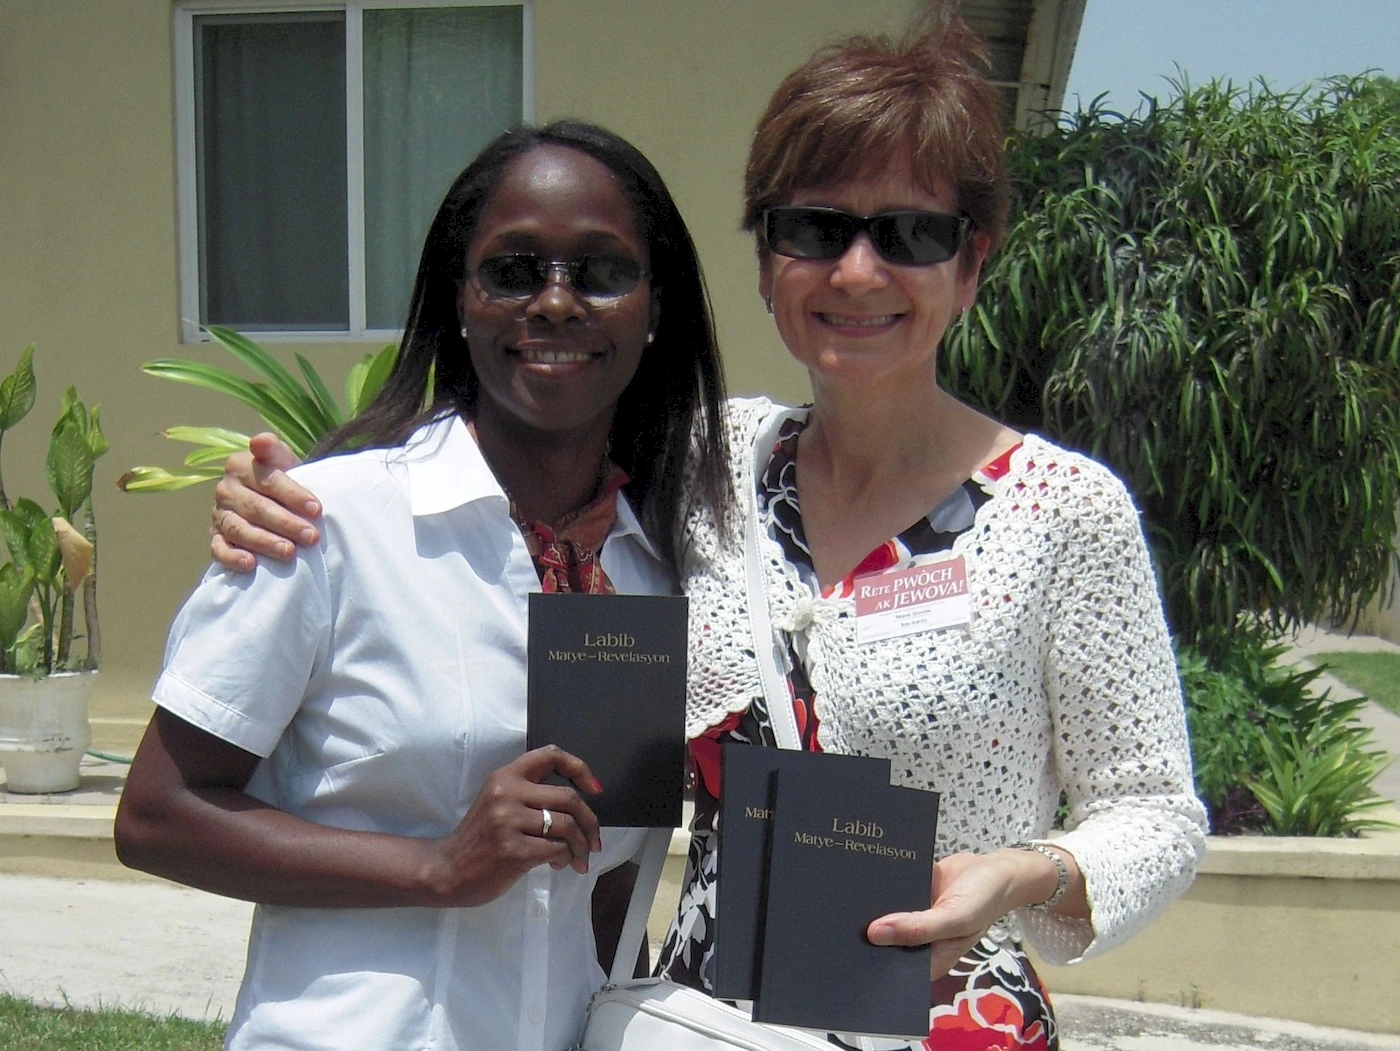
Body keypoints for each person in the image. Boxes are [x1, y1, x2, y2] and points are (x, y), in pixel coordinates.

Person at [206, 7, 1208, 1049]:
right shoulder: (701, 466)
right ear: (766, 256)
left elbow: (1157, 813)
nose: (856, 271)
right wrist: (281, 493)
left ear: (971, 261)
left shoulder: (1061, 512)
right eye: (815, 228)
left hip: (942, 1017)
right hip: (698, 1022)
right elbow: (510, 448)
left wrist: (1013, 874)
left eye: (909, 234)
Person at [114, 119, 730, 1051]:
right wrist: (437, 865)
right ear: (460, 300)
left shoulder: (662, 569)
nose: (557, 302)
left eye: (600, 271)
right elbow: (157, 815)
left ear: (653, 308)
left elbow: (606, 882)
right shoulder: (330, 523)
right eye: (514, 270)